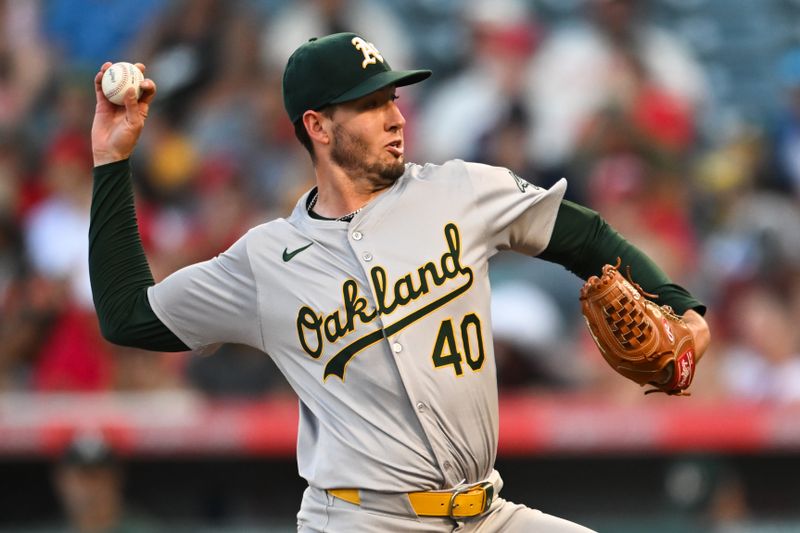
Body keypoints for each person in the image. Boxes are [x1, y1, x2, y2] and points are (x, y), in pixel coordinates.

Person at [89, 32, 710, 532]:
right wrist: (113, 162)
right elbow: (128, 316)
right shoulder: (265, 260)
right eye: (370, 104)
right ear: (319, 126)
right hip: (362, 520)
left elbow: (587, 238)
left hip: (485, 512)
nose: (395, 116)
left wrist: (683, 310)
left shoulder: (460, 190)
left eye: (393, 97)